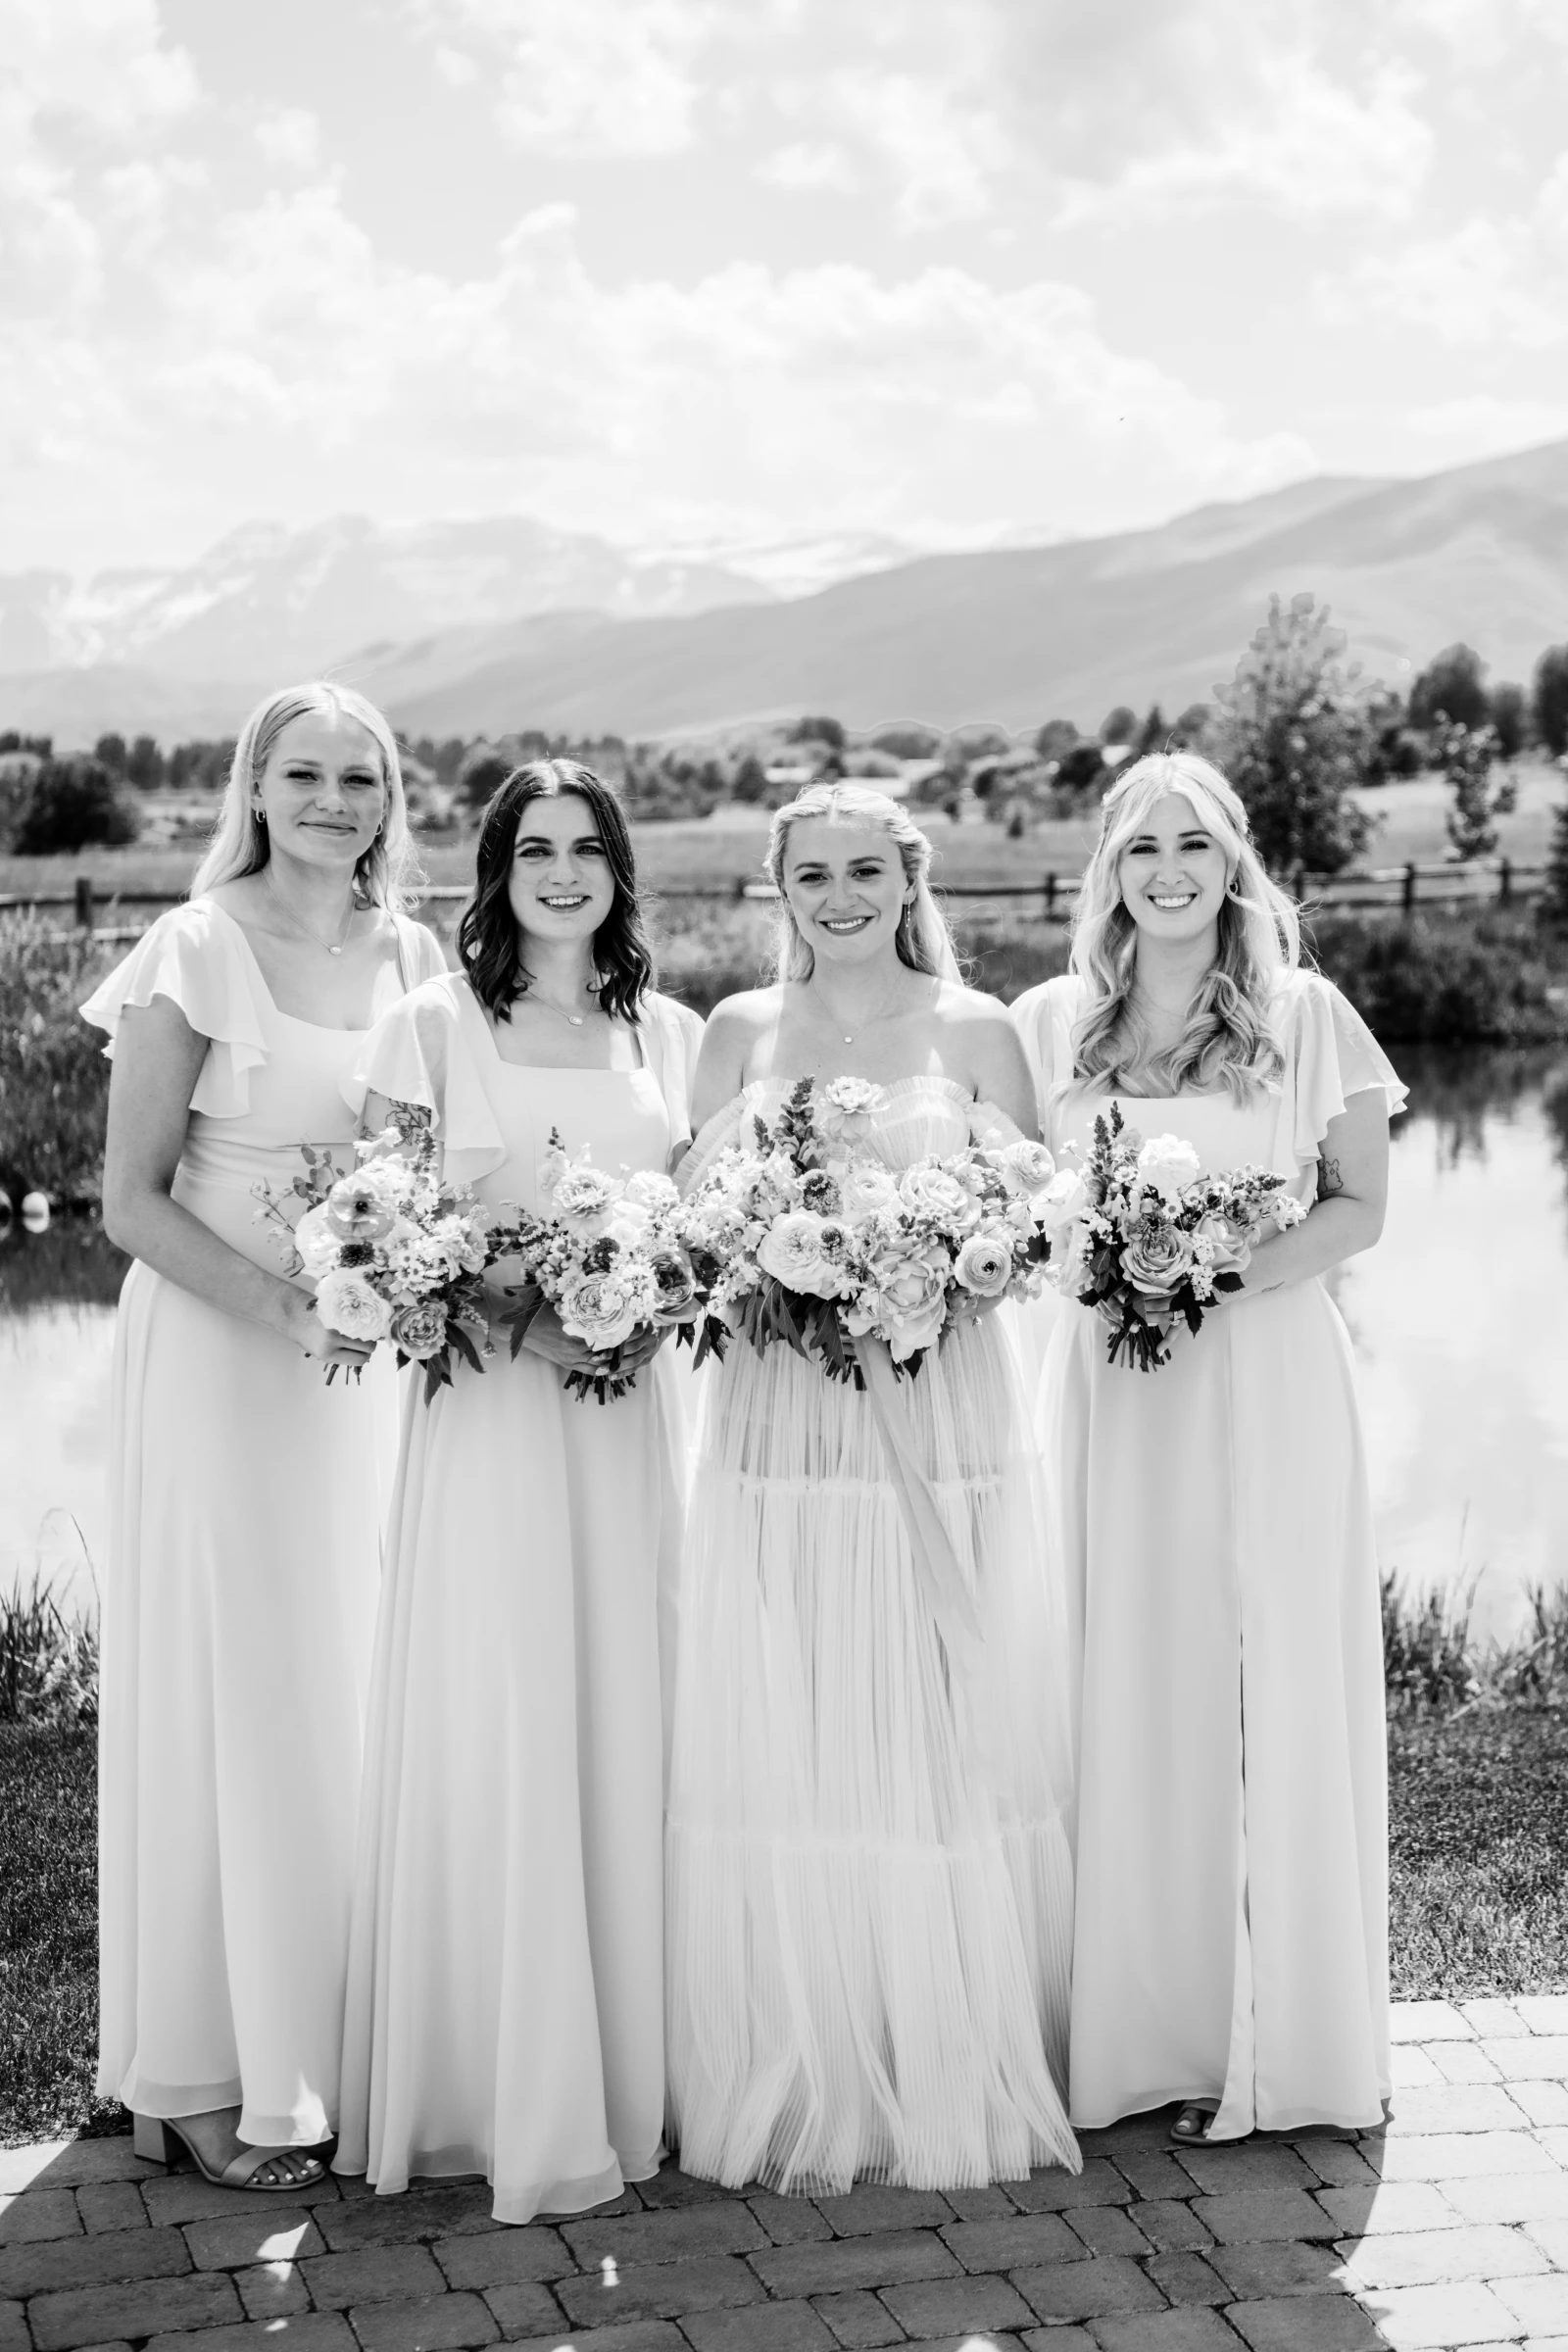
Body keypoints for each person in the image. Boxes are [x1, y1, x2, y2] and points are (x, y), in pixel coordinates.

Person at [666, 781, 1079, 2193]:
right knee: (795, 1699)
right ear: (778, 889)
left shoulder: (978, 1028)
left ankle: (938, 2041)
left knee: (933, 1711)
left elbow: (1035, 1222)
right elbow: (688, 1228)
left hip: (942, 1408)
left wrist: (924, 1264)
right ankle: (800, 2045)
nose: (839, 897)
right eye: (812, 875)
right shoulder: (735, 1030)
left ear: (910, 884)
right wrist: (779, 1261)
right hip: (778, 1421)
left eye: (864, 872)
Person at [83, 682, 446, 2191]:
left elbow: (431, 1159)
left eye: (361, 779)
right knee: (236, 1690)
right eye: (304, 774)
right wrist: (292, 1311)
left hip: (365, 1374)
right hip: (225, 1361)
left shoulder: (415, 955)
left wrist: (402, 1282)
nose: (333, 802)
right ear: (255, 786)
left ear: (389, 802)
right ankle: (199, 2072)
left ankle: (333, 2043)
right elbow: (128, 1200)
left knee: (350, 1688)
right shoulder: (195, 947)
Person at [1011, 751, 1403, 2144]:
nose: (1169, 872)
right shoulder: (1051, 1021)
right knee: (1125, 1673)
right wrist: (1103, 1259)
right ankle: (1145, 2032)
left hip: (1266, 1371)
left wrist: (1210, 1273)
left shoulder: (1304, 1013)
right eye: (1142, 848)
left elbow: (1358, 1209)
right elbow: (1019, 1203)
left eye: (1194, 845)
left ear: (1234, 862)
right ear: (1108, 871)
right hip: (1112, 1391)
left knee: (1265, 1677)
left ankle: (1280, 2040)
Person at [334, 760, 702, 2226]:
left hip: (628, 1425)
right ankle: (488, 2084)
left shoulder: (665, 1033)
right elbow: (378, 1226)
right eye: (534, 848)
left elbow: (699, 1227)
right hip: (490, 1417)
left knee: (623, 1702)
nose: (563, 872)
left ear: (619, 871)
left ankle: (628, 2074)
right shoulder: (429, 1024)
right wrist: (531, 1315)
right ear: (496, 871)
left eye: (587, 847)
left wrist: (653, 1299)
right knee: (500, 1702)